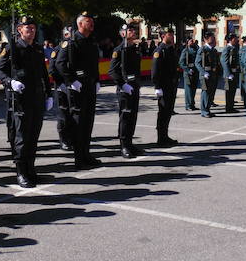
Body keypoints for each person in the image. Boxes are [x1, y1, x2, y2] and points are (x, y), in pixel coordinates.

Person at [0, 16, 52, 187]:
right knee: (22, 137)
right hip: (20, 99)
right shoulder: (12, 48)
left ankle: (31, 169)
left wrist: (49, 94)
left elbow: (43, 73)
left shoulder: (37, 48)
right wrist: (10, 82)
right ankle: (21, 172)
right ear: (20, 30)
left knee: (34, 136)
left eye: (34, 28)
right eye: (28, 28)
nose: (32, 31)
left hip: (37, 97)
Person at [54, 12, 101, 169]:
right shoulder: (71, 42)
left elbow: (94, 65)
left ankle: (86, 154)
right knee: (78, 123)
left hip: (89, 86)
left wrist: (97, 80)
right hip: (77, 88)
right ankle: (79, 159)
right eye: (89, 21)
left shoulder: (91, 42)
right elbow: (60, 64)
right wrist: (71, 81)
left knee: (88, 122)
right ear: (80, 24)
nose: (92, 23)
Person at [108, 22, 143, 157]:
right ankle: (124, 146)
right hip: (125, 88)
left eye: (133, 30)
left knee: (133, 116)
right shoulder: (119, 50)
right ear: (123, 34)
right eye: (130, 30)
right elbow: (112, 71)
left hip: (134, 86)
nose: (133, 32)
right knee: (125, 117)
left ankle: (130, 143)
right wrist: (122, 84)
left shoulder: (134, 49)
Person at [48, 26, 75, 151]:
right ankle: (64, 140)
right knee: (63, 115)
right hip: (61, 87)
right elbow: (52, 70)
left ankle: (72, 138)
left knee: (73, 114)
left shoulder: (75, 49)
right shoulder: (57, 50)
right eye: (69, 33)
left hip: (73, 86)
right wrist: (60, 83)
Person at [151, 28, 179, 147]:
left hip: (171, 86)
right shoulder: (159, 51)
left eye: (172, 34)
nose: (172, 36)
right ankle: (161, 139)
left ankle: (165, 136)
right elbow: (155, 70)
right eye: (169, 35)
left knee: (168, 112)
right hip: (163, 86)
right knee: (163, 113)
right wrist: (157, 87)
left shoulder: (170, 50)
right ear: (163, 36)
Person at [195, 31, 221, 118]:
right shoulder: (203, 49)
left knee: (211, 93)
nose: (213, 39)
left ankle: (208, 109)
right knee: (205, 92)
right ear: (206, 39)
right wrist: (203, 72)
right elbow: (197, 63)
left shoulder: (213, 50)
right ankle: (204, 111)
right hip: (205, 74)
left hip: (213, 74)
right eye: (211, 38)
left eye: (213, 37)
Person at [220, 33, 241, 113]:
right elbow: (224, 62)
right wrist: (228, 74)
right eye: (235, 38)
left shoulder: (235, 48)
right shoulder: (227, 49)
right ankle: (228, 108)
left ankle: (231, 106)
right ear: (231, 39)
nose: (236, 40)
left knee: (233, 91)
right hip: (229, 74)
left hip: (234, 73)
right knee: (229, 91)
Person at [178, 38, 199, 111]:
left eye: (193, 41)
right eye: (191, 41)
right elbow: (181, 63)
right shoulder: (185, 51)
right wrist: (187, 70)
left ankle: (192, 104)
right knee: (188, 90)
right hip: (188, 72)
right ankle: (188, 105)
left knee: (193, 89)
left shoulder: (196, 50)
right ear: (187, 42)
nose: (192, 42)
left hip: (195, 71)